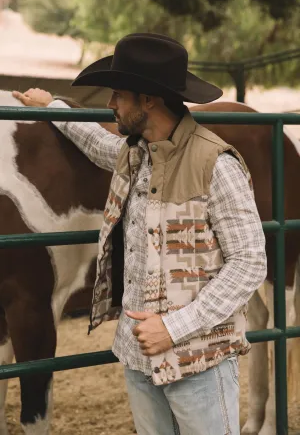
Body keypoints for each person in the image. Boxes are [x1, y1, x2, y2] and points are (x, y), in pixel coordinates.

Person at [13, 32, 267, 435]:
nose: (110, 103)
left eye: (118, 95)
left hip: (196, 364)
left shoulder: (216, 165)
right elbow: (95, 140)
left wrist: (174, 327)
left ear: (148, 100)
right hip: (137, 359)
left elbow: (250, 261)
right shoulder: (136, 154)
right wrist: (53, 107)